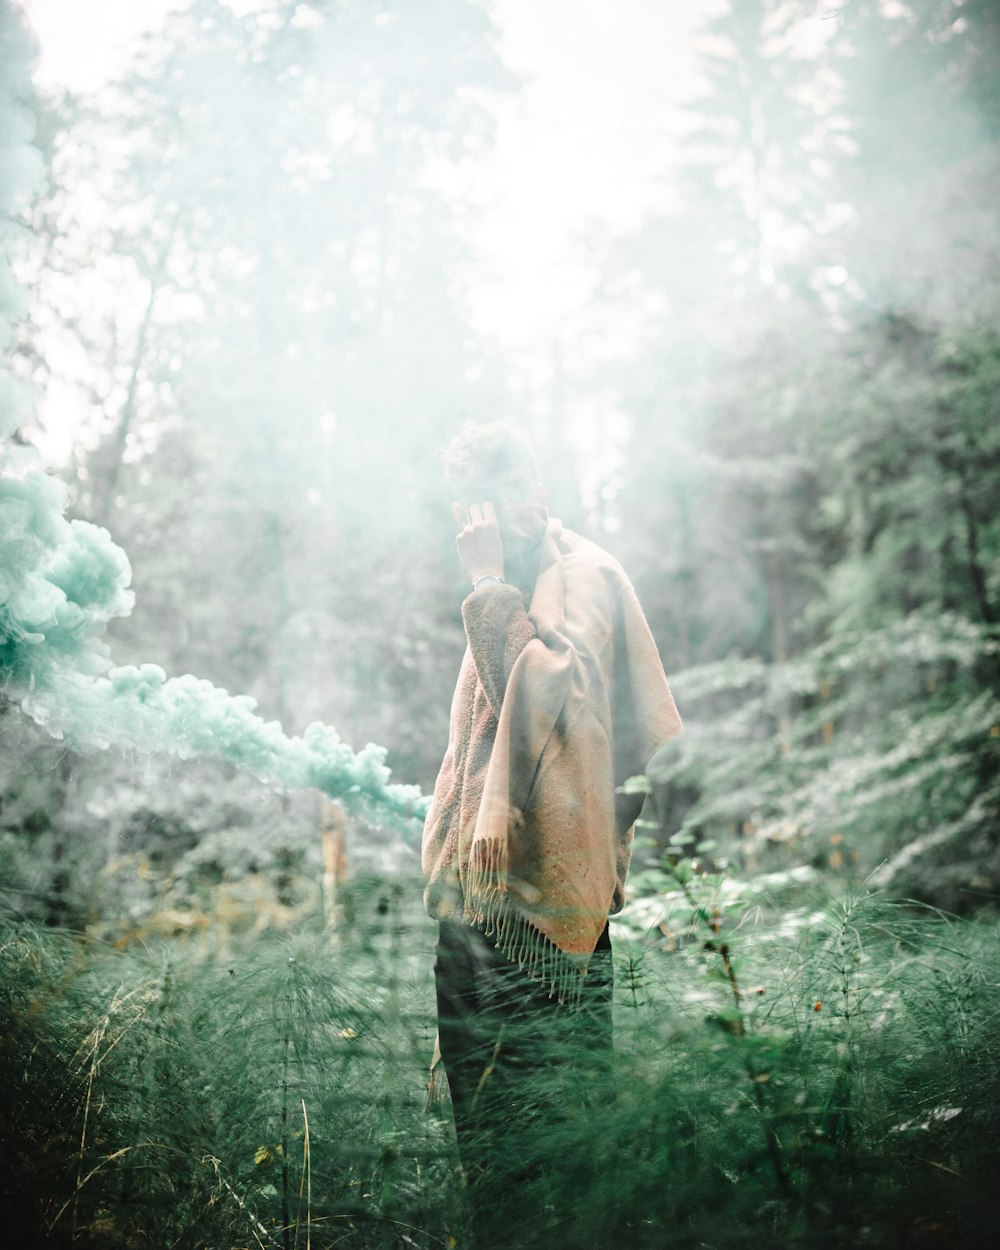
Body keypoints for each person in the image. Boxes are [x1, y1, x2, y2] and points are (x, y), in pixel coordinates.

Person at [422, 423, 682, 1242]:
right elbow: (479, 742)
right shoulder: (516, 580)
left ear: (526, 492)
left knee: (562, 1134)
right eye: (465, 508)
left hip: (550, 915)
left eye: (486, 503)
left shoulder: (582, 577)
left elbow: (548, 700)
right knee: (486, 1131)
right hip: (478, 903)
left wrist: (489, 581)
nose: (476, 525)